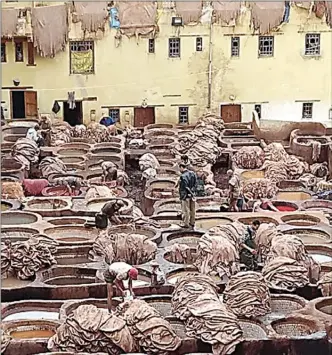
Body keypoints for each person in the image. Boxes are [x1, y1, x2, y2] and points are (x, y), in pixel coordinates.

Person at [178, 163, 197, 229]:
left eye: (179, 168)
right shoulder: (193, 173)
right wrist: (193, 193)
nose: (179, 170)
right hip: (193, 194)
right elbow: (195, 184)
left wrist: (189, 193)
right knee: (193, 209)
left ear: (181, 167)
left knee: (186, 210)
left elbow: (185, 187)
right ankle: (192, 222)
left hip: (185, 195)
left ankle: (185, 223)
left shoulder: (183, 176)